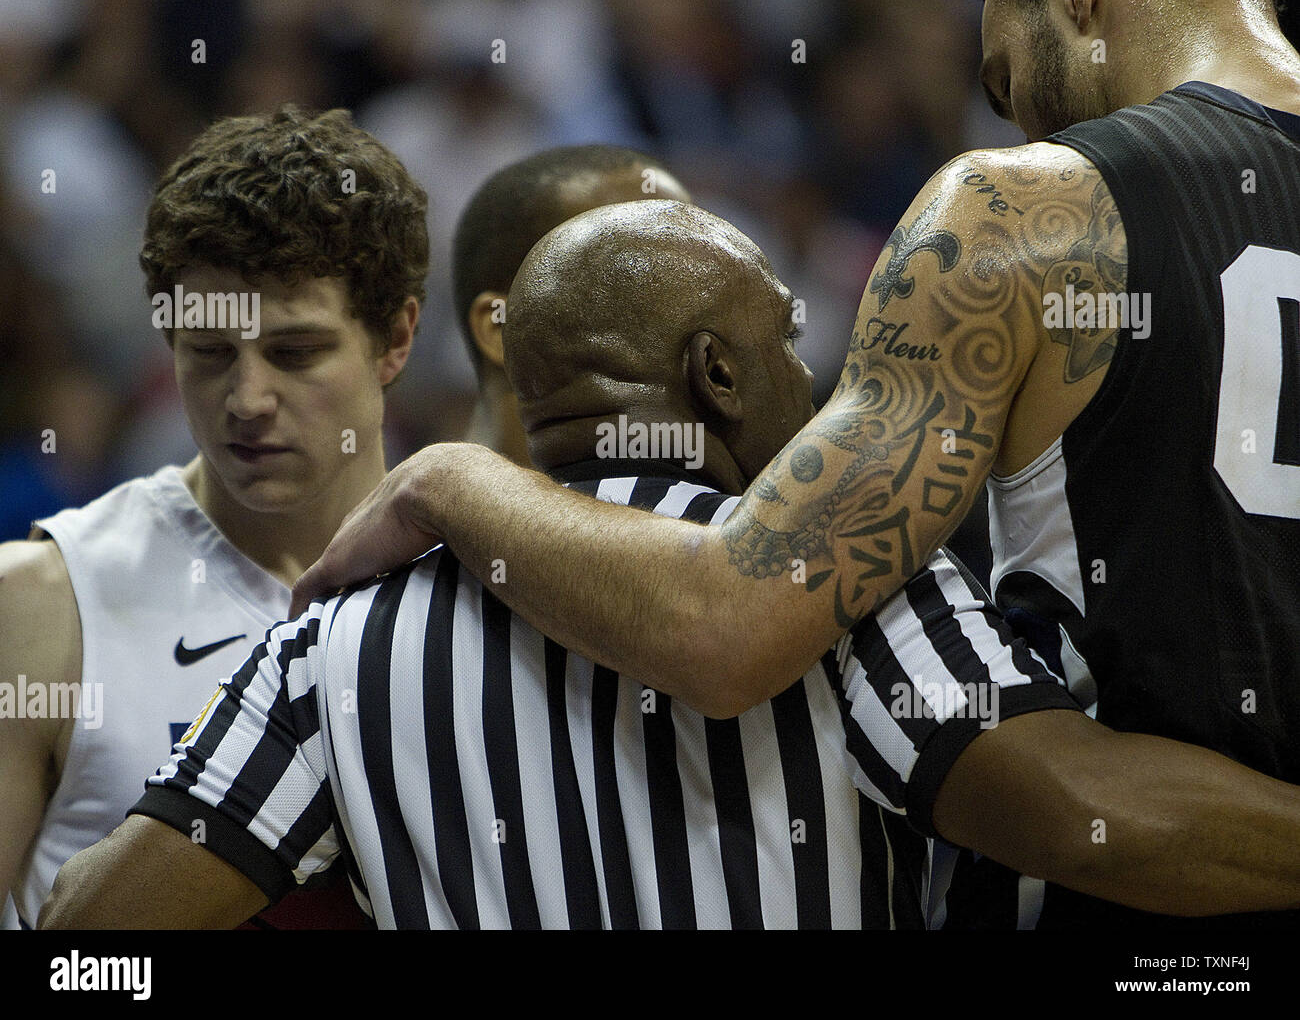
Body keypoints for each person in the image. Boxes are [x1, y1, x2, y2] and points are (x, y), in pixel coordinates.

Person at [292, 0, 1300, 929]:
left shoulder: (1019, 210)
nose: (1023, 121)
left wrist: (445, 479)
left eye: (1006, 81)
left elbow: (722, 627)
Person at [42, 202, 1300, 929]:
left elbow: (92, 936)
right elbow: (1088, 821)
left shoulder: (334, 638)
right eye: (796, 351)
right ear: (717, 374)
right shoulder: (849, 576)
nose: (819, 392)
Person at [0, 105, 426, 930]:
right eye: (209, 351)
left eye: (295, 353)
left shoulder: (487, 576)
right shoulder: (40, 602)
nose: (248, 399)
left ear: (397, 336)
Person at [454, 145, 691, 467]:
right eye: (637, 277)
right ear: (503, 329)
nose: (691, 314)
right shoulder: (410, 511)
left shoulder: (721, 502)